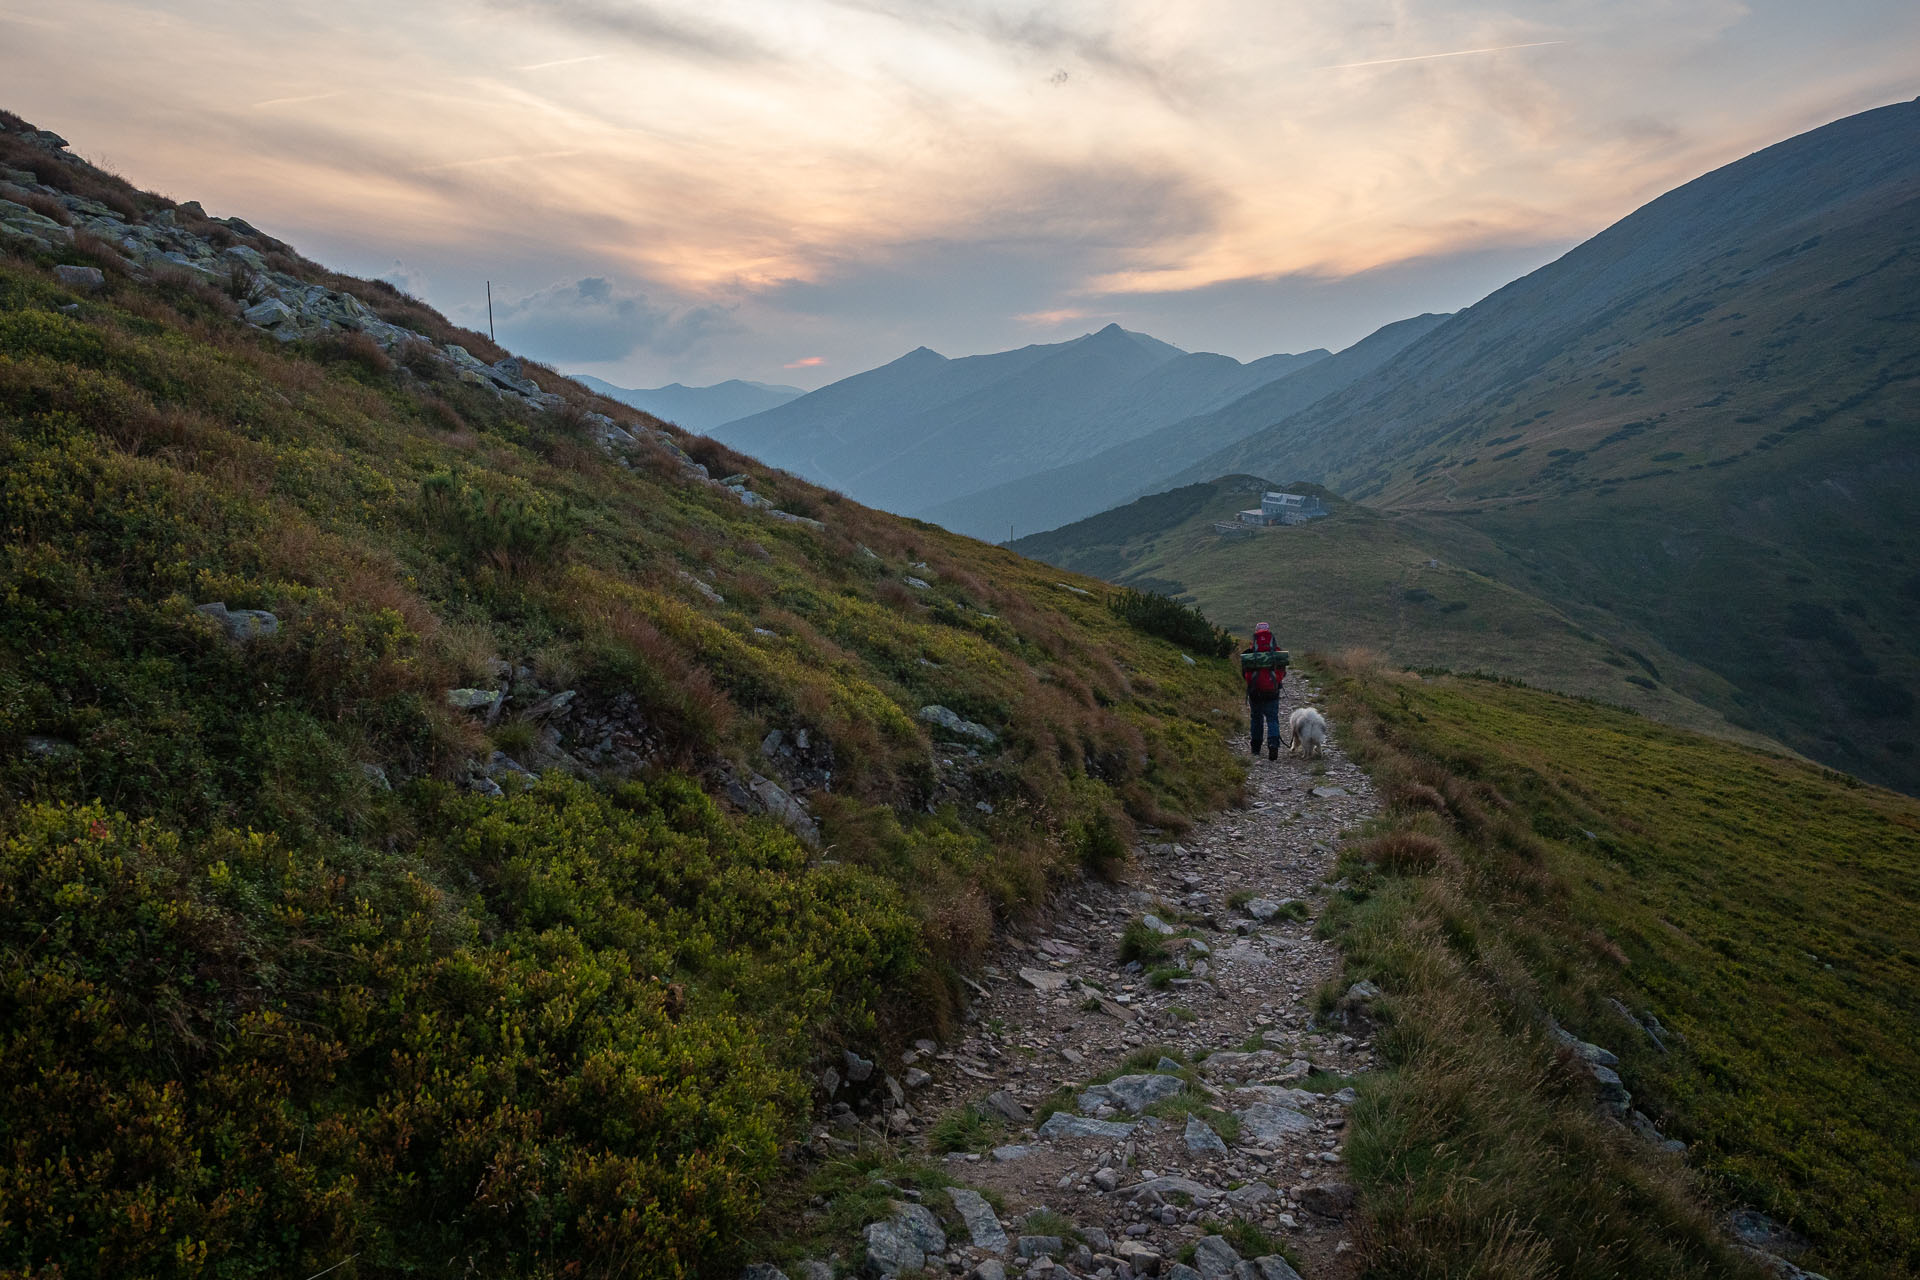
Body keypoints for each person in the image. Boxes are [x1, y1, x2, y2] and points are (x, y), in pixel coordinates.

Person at [1241, 622, 1285, 760]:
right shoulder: (1276, 651)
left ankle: (1256, 748)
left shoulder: (1250, 652)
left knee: (1256, 718)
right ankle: (1273, 745)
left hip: (1255, 691)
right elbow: (1283, 671)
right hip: (1272, 691)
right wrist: (1276, 681)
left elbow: (1245, 672)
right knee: (1272, 718)